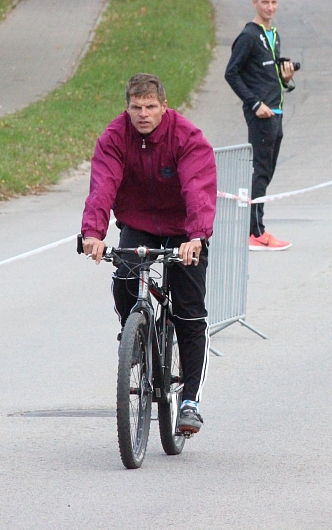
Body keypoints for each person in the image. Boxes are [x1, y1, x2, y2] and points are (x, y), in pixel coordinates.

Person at [81, 73, 217, 435]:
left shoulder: (186, 137)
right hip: (138, 223)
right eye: (136, 107)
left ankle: (190, 401)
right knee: (124, 277)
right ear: (127, 108)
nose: (143, 114)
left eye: (151, 107)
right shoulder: (114, 137)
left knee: (189, 314)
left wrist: (197, 236)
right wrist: (92, 233)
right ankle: (136, 334)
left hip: (184, 230)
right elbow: (102, 185)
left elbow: (197, 189)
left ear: (164, 107)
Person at [225, 0, 296, 251]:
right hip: (261, 114)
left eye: (274, 2)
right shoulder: (248, 36)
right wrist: (254, 104)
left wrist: (286, 79)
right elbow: (231, 73)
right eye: (265, 2)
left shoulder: (273, 34)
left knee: (266, 172)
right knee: (260, 171)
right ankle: (255, 232)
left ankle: (256, 229)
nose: (270, 7)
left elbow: (271, 77)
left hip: (276, 111)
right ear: (254, 3)